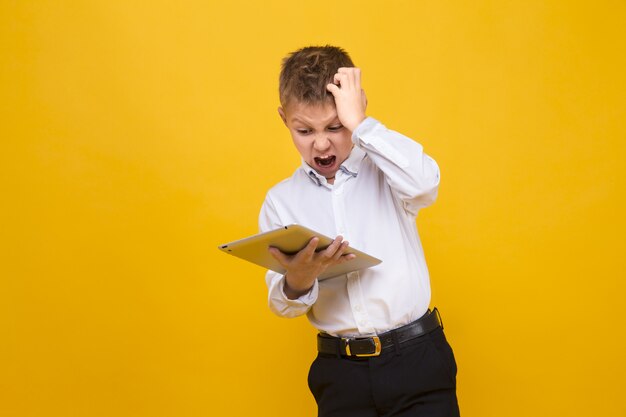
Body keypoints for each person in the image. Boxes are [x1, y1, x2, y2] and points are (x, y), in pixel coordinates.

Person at [258, 45, 460, 417]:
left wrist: (362, 125)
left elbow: (424, 184)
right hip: (340, 374)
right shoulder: (281, 201)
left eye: (335, 127)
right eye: (304, 130)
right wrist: (299, 280)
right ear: (284, 119)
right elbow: (281, 304)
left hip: (417, 361)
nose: (321, 144)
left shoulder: (386, 169)